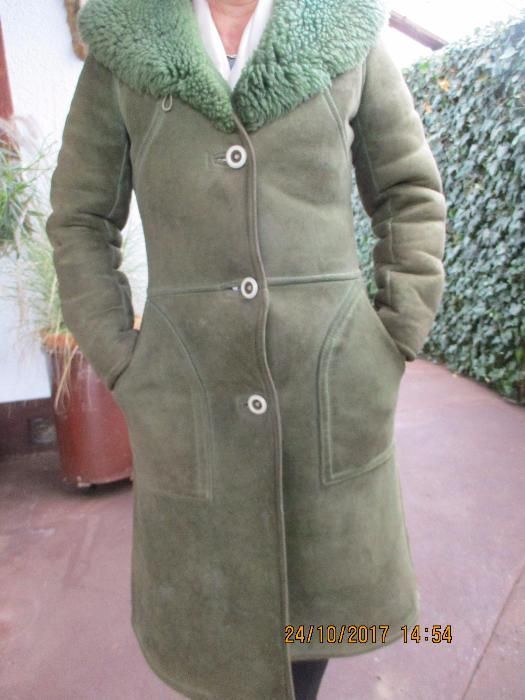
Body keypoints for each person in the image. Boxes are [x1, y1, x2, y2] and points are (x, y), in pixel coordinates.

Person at [46, 0, 447, 698]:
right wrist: (121, 358)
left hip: (327, 386)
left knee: (317, 616)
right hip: (189, 394)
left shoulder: (344, 26)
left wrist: (394, 332)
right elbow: (80, 218)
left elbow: (408, 191)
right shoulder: (123, 41)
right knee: (209, 626)